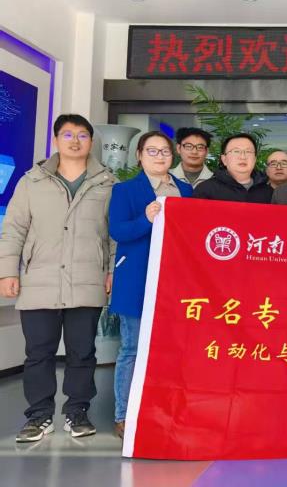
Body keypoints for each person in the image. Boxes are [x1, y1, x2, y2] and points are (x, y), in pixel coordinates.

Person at [0, 114, 116, 442]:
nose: (75, 141)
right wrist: (7, 271)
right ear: (56, 140)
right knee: (39, 352)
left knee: (82, 352)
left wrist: (112, 272)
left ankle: (77, 411)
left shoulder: (107, 184)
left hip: (87, 278)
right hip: (40, 278)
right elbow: (14, 229)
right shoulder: (32, 181)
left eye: (82, 135)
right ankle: (39, 416)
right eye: (67, 134)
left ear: (91, 142)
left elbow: (113, 236)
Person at [108, 131, 192, 439]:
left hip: (177, 283)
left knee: (172, 349)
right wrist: (145, 219)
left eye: (165, 152)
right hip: (137, 279)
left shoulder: (185, 190)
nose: (160, 157)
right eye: (152, 151)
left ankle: (164, 410)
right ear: (139, 155)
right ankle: (124, 414)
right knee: (132, 348)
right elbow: (118, 231)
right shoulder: (125, 190)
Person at [193, 134, 272, 203]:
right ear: (224, 159)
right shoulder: (206, 189)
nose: (243, 157)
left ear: (254, 159)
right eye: (236, 151)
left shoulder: (268, 191)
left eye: (248, 152)